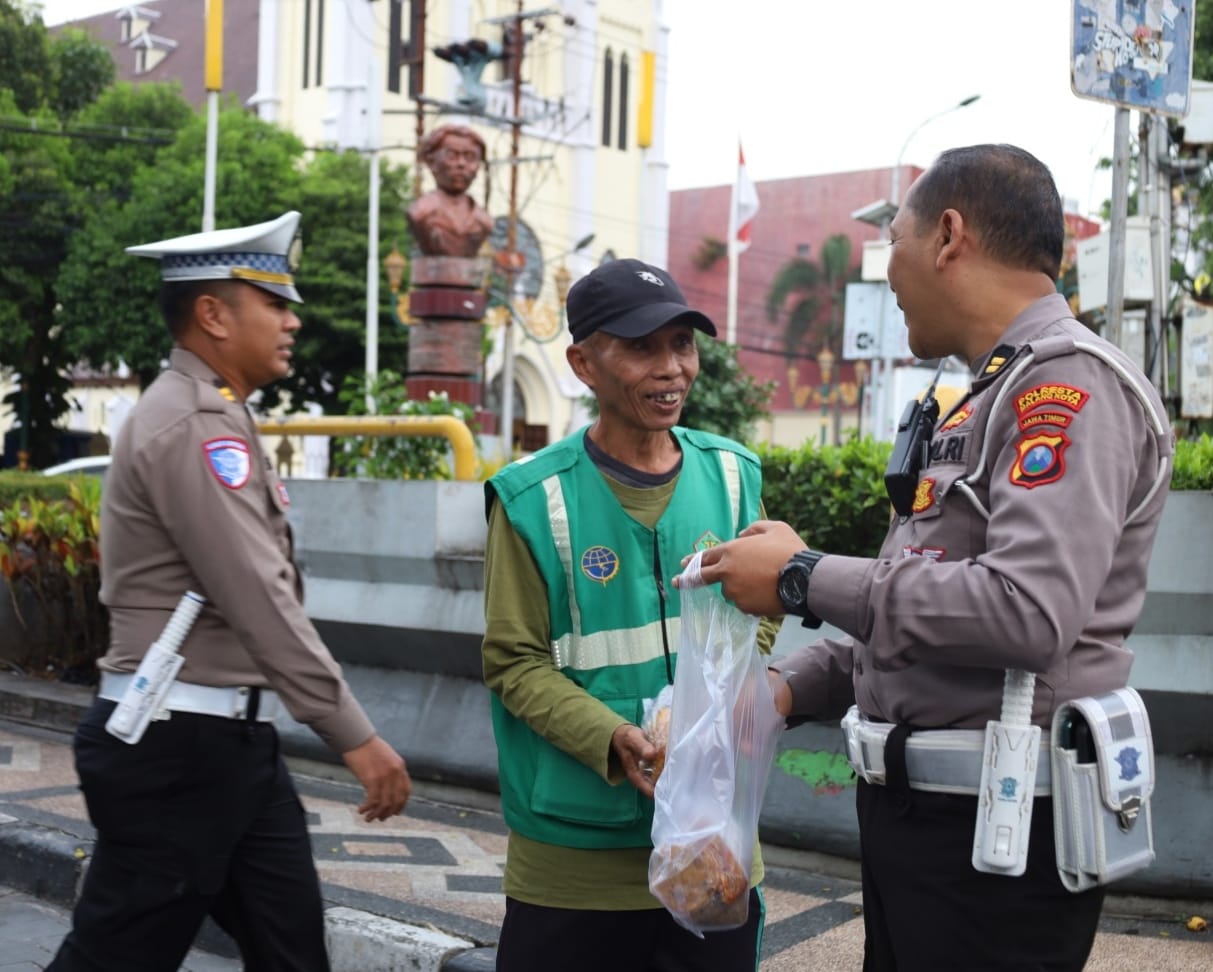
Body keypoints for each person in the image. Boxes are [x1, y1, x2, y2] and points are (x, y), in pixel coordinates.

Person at [685, 144, 1174, 971]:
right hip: (930, 823)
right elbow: (924, 611)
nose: (891, 275)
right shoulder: (985, 396)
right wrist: (787, 688)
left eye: (895, 248)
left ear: (949, 236)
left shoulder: (1066, 391)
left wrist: (802, 578)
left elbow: (1024, 613)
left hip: (996, 837)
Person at [48, 212, 413, 972]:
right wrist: (355, 735)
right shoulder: (192, 425)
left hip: (229, 745)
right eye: (274, 304)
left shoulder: (218, 413)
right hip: (176, 749)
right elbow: (258, 596)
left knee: (292, 955)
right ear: (213, 314)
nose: (291, 321)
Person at [481, 258, 779, 972]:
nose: (670, 367)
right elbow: (511, 661)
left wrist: (704, 707)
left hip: (713, 843)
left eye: (682, 344)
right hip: (574, 859)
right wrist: (612, 734)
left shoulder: (734, 476)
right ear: (583, 362)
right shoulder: (531, 498)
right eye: (642, 347)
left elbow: (761, 612)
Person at [406, 124, 494, 257]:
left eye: (470, 158)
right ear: (431, 162)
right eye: (452, 156)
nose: (461, 164)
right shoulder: (421, 213)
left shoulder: (483, 221)